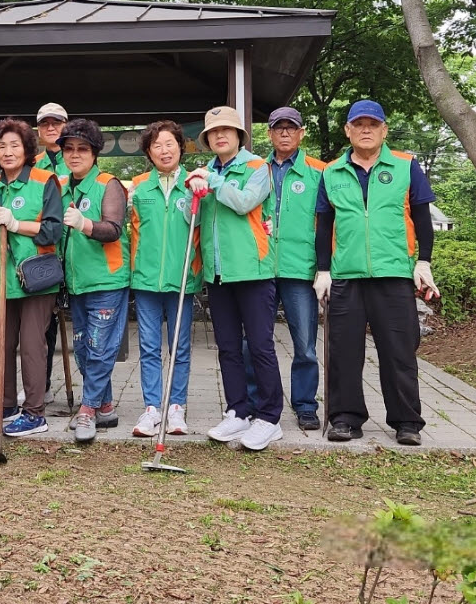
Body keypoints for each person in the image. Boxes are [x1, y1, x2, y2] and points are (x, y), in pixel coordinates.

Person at [314, 100, 440, 447]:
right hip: (346, 276)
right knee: (344, 352)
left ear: (384, 130)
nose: (366, 130)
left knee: (398, 351)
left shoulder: (405, 165)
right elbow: (324, 226)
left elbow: (422, 218)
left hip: (394, 274)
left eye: (373, 124)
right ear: (348, 131)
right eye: (359, 124)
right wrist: (322, 270)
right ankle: (345, 418)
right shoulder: (331, 172)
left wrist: (423, 262)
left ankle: (406, 421)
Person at [187, 106, 285, 452]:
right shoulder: (206, 172)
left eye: (226, 130)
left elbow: (244, 202)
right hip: (218, 273)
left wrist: (211, 182)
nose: (219, 136)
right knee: (227, 347)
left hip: (253, 270)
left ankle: (270, 418)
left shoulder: (258, 168)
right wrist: (192, 191)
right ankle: (238, 411)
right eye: (213, 132)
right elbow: (193, 218)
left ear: (239, 135)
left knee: (259, 346)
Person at [0, 118, 63, 437]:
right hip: (2, 279)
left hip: (36, 275)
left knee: (31, 344)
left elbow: (54, 229)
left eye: (15, 145)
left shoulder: (45, 180)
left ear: (27, 149)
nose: (8, 151)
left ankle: (35, 411)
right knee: (1, 343)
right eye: (1, 146)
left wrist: (16, 224)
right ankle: (6, 403)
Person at [250, 106, 328, 431]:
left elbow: (329, 223)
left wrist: (325, 267)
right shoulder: (256, 169)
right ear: (269, 133)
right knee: (255, 340)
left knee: (306, 343)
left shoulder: (319, 171)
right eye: (278, 127)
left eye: (290, 127)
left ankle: (306, 405)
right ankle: (259, 403)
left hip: (301, 268)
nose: (284, 132)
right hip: (262, 267)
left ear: (301, 132)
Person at [57, 118, 130, 444]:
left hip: (106, 281)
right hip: (77, 283)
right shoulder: (63, 187)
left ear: (95, 153)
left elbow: (113, 228)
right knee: (86, 350)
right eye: (69, 149)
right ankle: (105, 406)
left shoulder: (108, 184)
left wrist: (85, 224)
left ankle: (87, 411)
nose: (75, 155)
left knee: (99, 350)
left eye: (82, 149)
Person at [128, 120, 198, 437]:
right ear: (148, 152)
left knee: (180, 347)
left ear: (181, 147)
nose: (164, 150)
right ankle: (152, 409)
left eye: (169, 143)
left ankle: (176, 408)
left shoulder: (195, 184)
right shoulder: (138, 187)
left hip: (183, 279)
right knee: (149, 346)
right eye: (156, 145)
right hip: (145, 279)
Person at [33, 101, 70, 403]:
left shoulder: (76, 158)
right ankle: (39, 385)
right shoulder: (31, 165)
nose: (51, 128)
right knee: (43, 325)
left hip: (76, 250)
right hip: (44, 252)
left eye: (56, 122)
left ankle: (94, 395)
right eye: (45, 123)